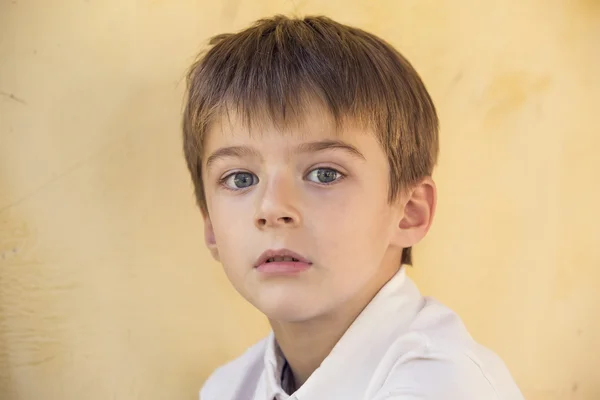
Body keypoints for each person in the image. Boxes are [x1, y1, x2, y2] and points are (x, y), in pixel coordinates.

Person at [182, 14, 524, 400]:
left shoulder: (443, 385)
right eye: (240, 179)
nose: (272, 208)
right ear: (211, 227)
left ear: (409, 211)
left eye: (325, 174)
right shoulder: (228, 388)